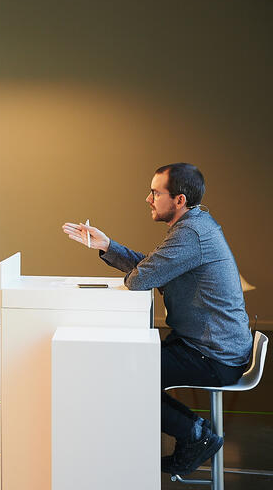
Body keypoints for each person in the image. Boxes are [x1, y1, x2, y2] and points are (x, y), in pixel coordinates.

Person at [62, 163, 252, 477]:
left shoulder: (191, 233)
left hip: (214, 355)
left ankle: (196, 435)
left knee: (120, 375)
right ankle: (192, 432)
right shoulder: (194, 224)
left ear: (179, 200)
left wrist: (140, 270)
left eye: (155, 193)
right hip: (205, 346)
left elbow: (141, 278)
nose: (148, 199)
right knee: (124, 370)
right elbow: (152, 267)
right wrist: (107, 246)